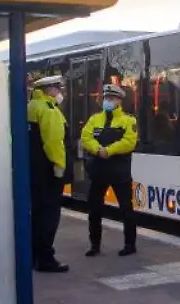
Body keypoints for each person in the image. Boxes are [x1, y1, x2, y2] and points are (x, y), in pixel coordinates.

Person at [81, 83, 139, 257]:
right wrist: (98, 149)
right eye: (106, 98)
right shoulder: (94, 119)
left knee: (126, 210)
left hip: (119, 173)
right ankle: (94, 245)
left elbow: (129, 142)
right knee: (94, 210)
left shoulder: (128, 121)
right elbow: (85, 137)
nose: (107, 101)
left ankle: (130, 244)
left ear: (120, 101)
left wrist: (109, 150)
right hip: (98, 172)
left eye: (111, 98)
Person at [28, 75, 70, 273]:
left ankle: (33, 256)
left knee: (36, 214)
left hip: (33, 170)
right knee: (49, 215)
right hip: (47, 171)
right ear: (50, 90)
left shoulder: (30, 107)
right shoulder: (49, 109)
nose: (60, 92)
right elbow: (54, 141)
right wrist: (59, 166)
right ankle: (46, 258)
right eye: (58, 88)